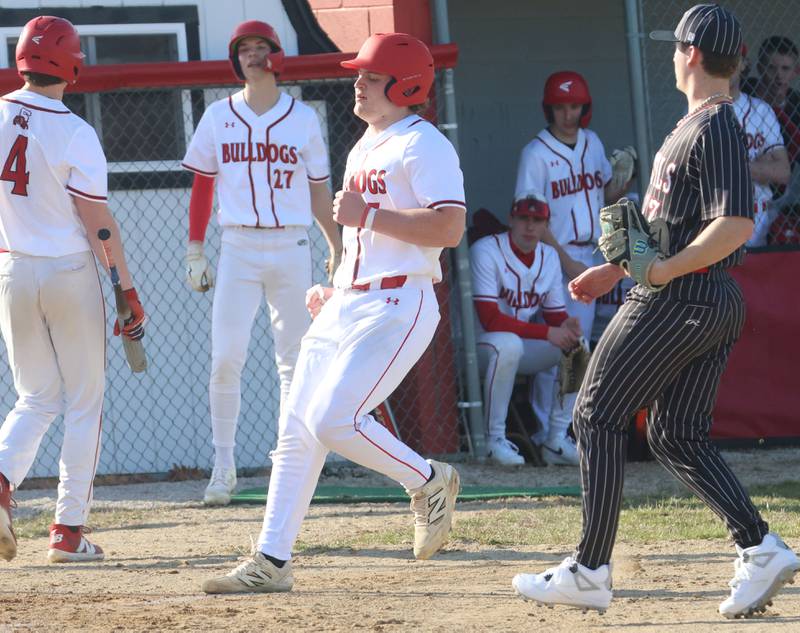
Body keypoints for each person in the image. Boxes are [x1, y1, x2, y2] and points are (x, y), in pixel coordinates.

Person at [512, 5, 799, 618]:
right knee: (675, 433)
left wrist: (663, 272)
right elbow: (665, 229)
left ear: (692, 54)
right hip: (699, 296)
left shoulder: (715, 125)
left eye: (677, 47)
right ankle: (760, 547)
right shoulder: (696, 124)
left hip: (683, 297)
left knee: (593, 414)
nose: (672, 55)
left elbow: (736, 224)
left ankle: (589, 570)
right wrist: (614, 268)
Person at [200, 32, 464, 594]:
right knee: (296, 429)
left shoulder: (424, 144)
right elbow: (364, 232)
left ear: (404, 84)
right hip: (352, 298)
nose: (357, 83)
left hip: (400, 302)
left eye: (369, 76)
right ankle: (272, 560)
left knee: (333, 420)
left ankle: (427, 479)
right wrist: (336, 286)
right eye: (359, 74)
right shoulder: (365, 143)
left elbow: (449, 227)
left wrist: (369, 214)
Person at [0, 16, 145, 564]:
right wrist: (126, 290)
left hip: (11, 269)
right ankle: (67, 532)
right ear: (72, 64)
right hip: (67, 272)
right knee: (85, 402)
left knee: (35, 397)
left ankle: (0, 483)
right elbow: (98, 223)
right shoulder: (76, 131)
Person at [181, 20, 342, 506]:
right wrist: (194, 247)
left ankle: (288, 467)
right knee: (226, 356)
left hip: (291, 243)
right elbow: (203, 185)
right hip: (238, 246)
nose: (252, 56)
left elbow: (318, 189)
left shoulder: (302, 118)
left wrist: (334, 242)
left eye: (260, 48)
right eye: (244, 49)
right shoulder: (218, 115)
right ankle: (223, 467)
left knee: (292, 360)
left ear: (276, 55)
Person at [514, 71, 633, 465]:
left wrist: (622, 177)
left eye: (574, 105)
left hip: (593, 253)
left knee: (576, 348)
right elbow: (529, 217)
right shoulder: (536, 153)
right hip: (555, 255)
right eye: (561, 106)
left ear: (585, 107)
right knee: (566, 347)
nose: (568, 114)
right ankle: (549, 432)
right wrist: (566, 262)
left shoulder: (592, 141)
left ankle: (556, 432)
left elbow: (604, 194)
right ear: (549, 108)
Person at [470, 194, 581, 465]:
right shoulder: (486, 250)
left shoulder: (549, 256)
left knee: (579, 347)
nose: (530, 226)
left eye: (537, 220)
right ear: (511, 220)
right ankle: (493, 440)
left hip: (520, 345)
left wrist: (566, 323)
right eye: (523, 218)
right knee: (508, 344)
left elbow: (553, 314)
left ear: (546, 225)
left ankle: (556, 439)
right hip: (477, 347)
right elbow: (490, 320)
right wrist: (547, 333)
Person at [730, 45, 791, 246]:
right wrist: (760, 167)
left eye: (734, 59)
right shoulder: (697, 109)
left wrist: (735, 166)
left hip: (760, 217)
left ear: (744, 65)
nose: (727, 66)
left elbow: (783, 172)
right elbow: (708, 173)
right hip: (719, 218)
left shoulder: (761, 110)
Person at [743, 36, 800, 166]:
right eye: (771, 68)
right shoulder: (743, 92)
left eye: (785, 69)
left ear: (795, 72)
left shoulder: (796, 104)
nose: (779, 75)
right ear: (760, 68)